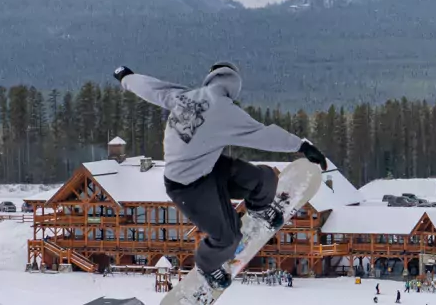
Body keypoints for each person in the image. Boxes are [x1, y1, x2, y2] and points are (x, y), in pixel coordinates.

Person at [113, 62, 327, 290]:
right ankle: (207, 264)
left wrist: (127, 78)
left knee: (263, 179)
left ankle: (259, 210)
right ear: (232, 89)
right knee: (228, 237)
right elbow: (262, 134)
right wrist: (302, 146)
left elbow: (152, 88)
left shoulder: (185, 96)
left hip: (208, 167)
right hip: (187, 186)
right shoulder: (225, 110)